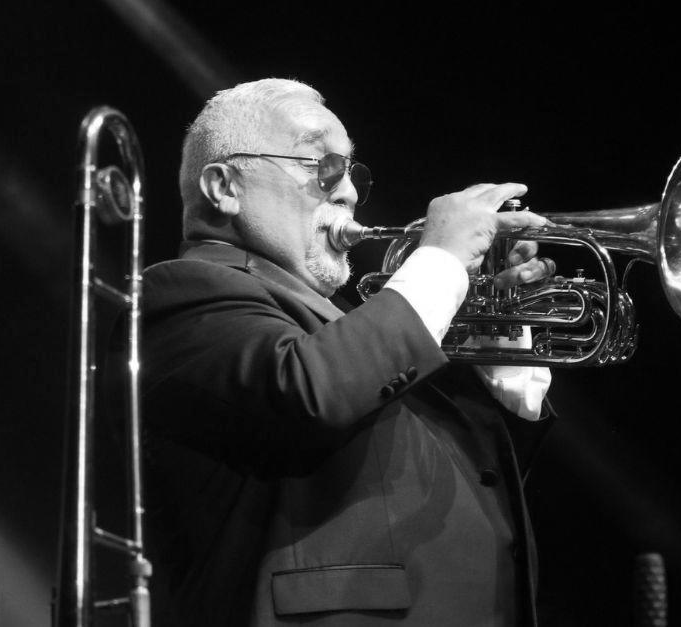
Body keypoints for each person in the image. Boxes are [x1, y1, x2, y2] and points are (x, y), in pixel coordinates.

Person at [139, 78, 558, 626]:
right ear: (224, 187)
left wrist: (494, 339)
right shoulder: (184, 293)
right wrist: (440, 260)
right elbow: (310, 391)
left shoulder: (355, 325)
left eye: (351, 172)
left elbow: (472, 475)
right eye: (321, 165)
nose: (349, 193)